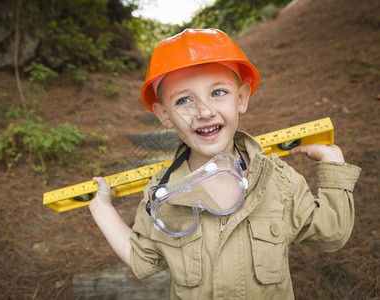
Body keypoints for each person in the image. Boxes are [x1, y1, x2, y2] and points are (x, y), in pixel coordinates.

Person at [88, 28, 361, 299]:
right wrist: (102, 208)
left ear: (241, 98)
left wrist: (333, 166)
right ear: (164, 115)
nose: (204, 111)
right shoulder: (163, 194)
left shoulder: (276, 179)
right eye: (184, 100)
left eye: (218, 92)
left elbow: (331, 234)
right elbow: (142, 260)